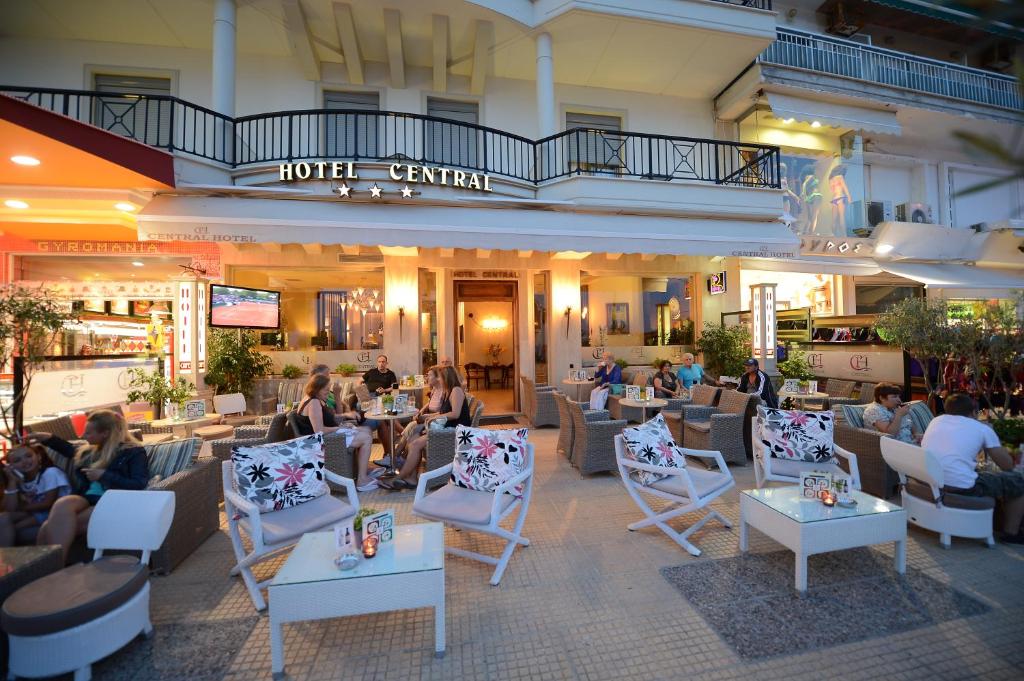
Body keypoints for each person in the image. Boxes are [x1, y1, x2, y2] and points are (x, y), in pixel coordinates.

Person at [24, 410, 148, 563]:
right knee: (64, 502)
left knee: (47, 528)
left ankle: (51, 568)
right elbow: (69, 450)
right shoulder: (91, 450)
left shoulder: (133, 452)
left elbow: (139, 483)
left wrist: (104, 476)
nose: (83, 436)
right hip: (89, 499)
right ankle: (45, 569)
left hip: (113, 501)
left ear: (105, 433)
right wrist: (48, 438)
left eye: (88, 432)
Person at [922, 393, 1024, 542]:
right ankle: (1011, 534)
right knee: (1018, 481)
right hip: (959, 486)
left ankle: (998, 521)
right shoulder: (981, 428)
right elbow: (1007, 465)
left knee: (984, 475)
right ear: (974, 412)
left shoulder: (936, 421)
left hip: (930, 479)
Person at [380, 366, 472, 491]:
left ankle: (397, 478)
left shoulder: (456, 390)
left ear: (446, 378)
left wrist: (433, 418)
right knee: (413, 438)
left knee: (415, 444)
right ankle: (411, 478)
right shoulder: (448, 390)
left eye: (440, 377)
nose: (439, 380)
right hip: (444, 428)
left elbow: (455, 414)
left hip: (454, 431)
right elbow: (443, 412)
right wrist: (429, 416)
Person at [294, 374, 380, 492]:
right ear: (317, 388)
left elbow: (326, 421)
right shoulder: (313, 403)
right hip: (321, 443)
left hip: (328, 436)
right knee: (366, 438)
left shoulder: (316, 399)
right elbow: (319, 431)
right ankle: (362, 480)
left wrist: (343, 424)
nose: (327, 392)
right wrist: (338, 428)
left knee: (366, 430)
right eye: (325, 389)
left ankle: (361, 470)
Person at [0, 444, 71, 547]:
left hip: (52, 512)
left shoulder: (51, 473)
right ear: (10, 466)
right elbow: (10, 508)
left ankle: (9, 558)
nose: (25, 461)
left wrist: (21, 507)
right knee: (3, 517)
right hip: (33, 512)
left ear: (38, 456)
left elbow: (47, 503)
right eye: (17, 460)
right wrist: (12, 481)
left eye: (28, 456)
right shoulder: (19, 480)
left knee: (13, 528)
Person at [393, 366, 445, 460]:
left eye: (429, 375)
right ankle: (398, 457)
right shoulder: (434, 389)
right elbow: (429, 403)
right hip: (428, 419)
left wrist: (425, 416)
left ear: (438, 377)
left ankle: (397, 457)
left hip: (435, 422)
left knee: (411, 429)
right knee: (410, 427)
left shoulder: (444, 391)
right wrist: (420, 411)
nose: (426, 378)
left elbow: (443, 412)